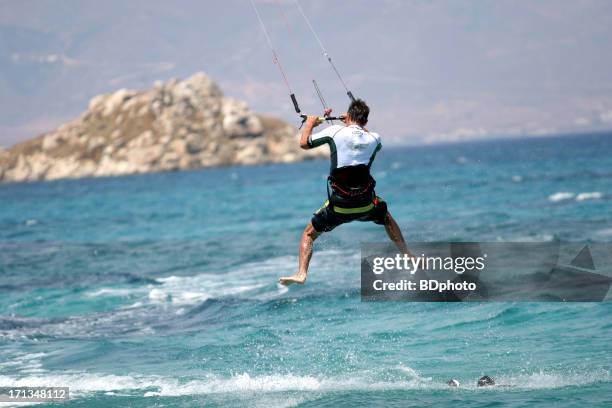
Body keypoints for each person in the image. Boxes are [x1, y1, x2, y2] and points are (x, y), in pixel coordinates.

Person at [279, 99, 411, 285]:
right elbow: (361, 134)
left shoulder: (334, 131)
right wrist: (350, 122)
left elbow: (304, 143)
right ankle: (407, 255)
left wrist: (310, 122)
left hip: (340, 205)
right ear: (365, 121)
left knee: (308, 234)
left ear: (348, 115)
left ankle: (301, 273)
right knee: (386, 217)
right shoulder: (375, 139)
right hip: (366, 203)